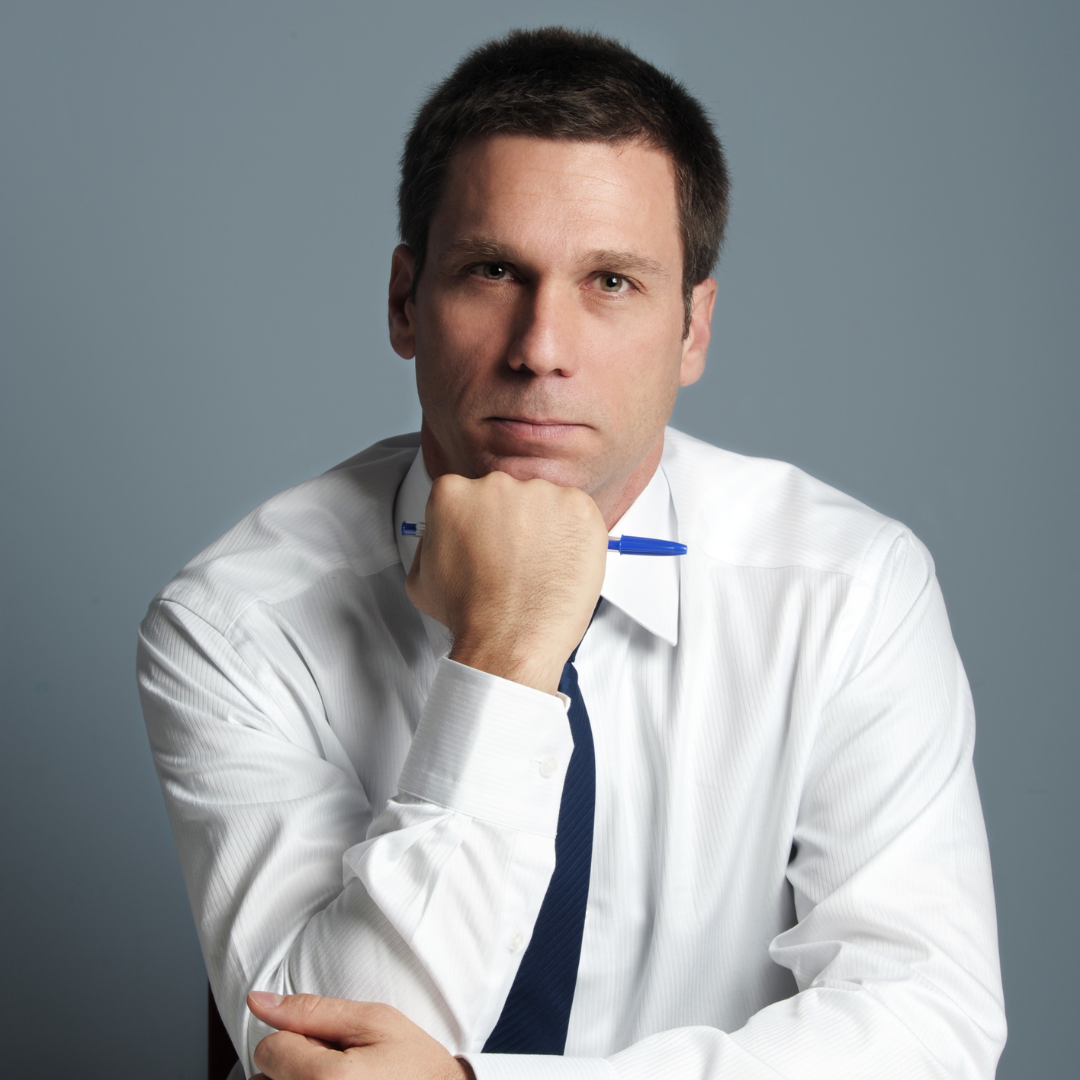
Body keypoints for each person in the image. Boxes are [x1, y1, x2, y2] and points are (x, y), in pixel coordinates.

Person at [137, 26, 1006, 1080]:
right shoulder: (239, 620)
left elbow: (926, 1028)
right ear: (406, 301)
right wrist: (508, 652)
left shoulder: (848, 591)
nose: (541, 348)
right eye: (493, 271)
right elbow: (324, 1052)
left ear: (693, 330)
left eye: (612, 283)